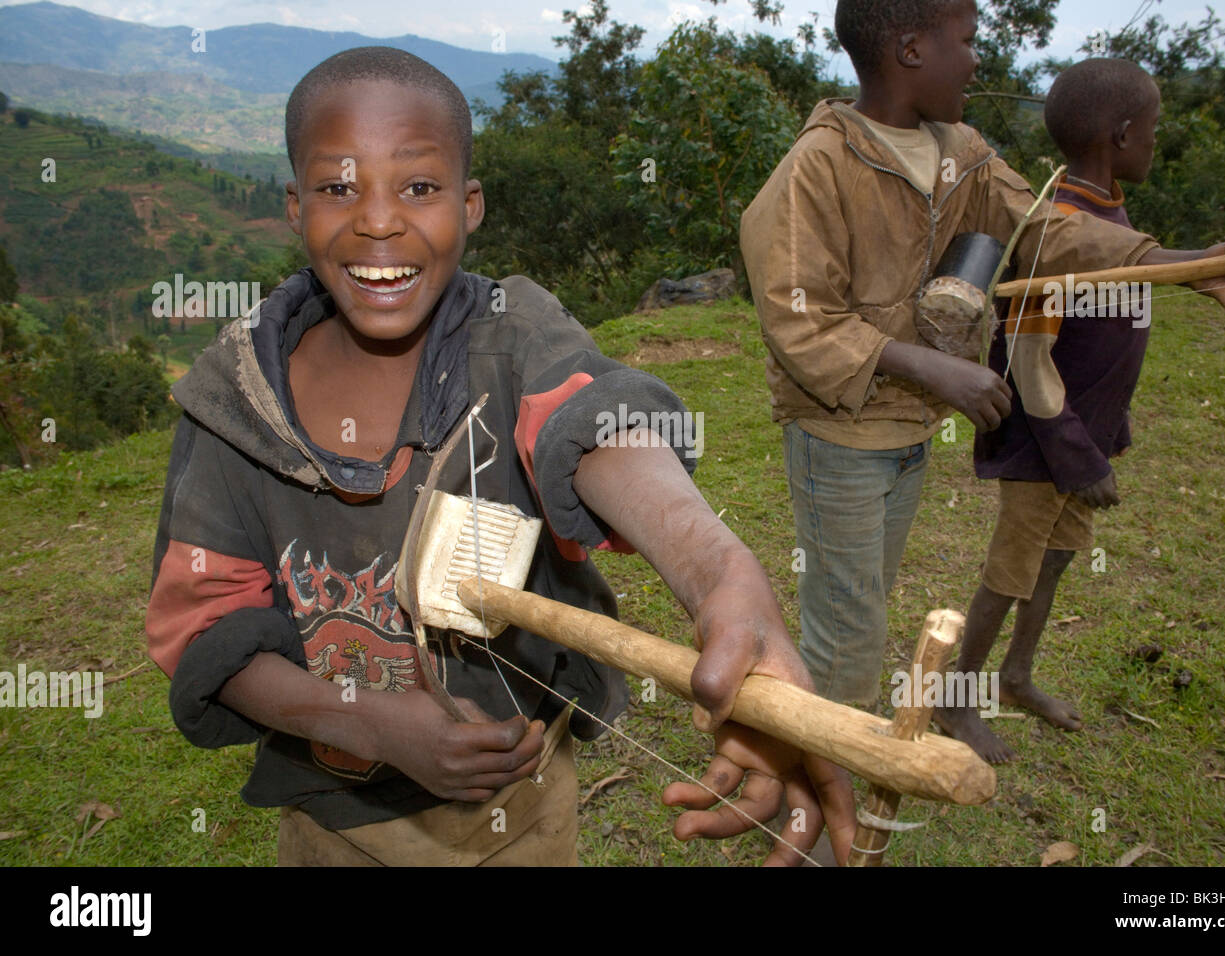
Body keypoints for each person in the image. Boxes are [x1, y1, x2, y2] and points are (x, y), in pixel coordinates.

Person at [145, 46, 854, 866]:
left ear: (470, 204)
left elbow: (593, 424)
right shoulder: (235, 402)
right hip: (334, 823)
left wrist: (719, 572)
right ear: (295, 205)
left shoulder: (514, 339)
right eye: (340, 187)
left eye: (419, 186)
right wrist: (364, 720)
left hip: (524, 809)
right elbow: (209, 630)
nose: (378, 220)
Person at [738, 0, 1225, 713]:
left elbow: (1045, 230)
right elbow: (799, 320)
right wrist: (933, 366)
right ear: (911, 50)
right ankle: (825, 791)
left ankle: (830, 762)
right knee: (849, 634)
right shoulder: (819, 166)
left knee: (861, 604)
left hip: (906, 437)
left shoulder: (963, 152)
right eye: (968, 40)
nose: (978, 58)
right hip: (837, 438)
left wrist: (1176, 265)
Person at [934, 58, 1212, 762]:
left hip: (1084, 436)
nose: (1155, 141)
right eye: (1151, 130)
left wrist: (1109, 427)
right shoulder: (1055, 229)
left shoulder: (1106, 212)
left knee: (1057, 558)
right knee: (1011, 569)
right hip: (1044, 443)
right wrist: (1078, 455)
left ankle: (1017, 675)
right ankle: (955, 696)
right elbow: (1029, 358)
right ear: (1121, 134)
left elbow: (1108, 337)